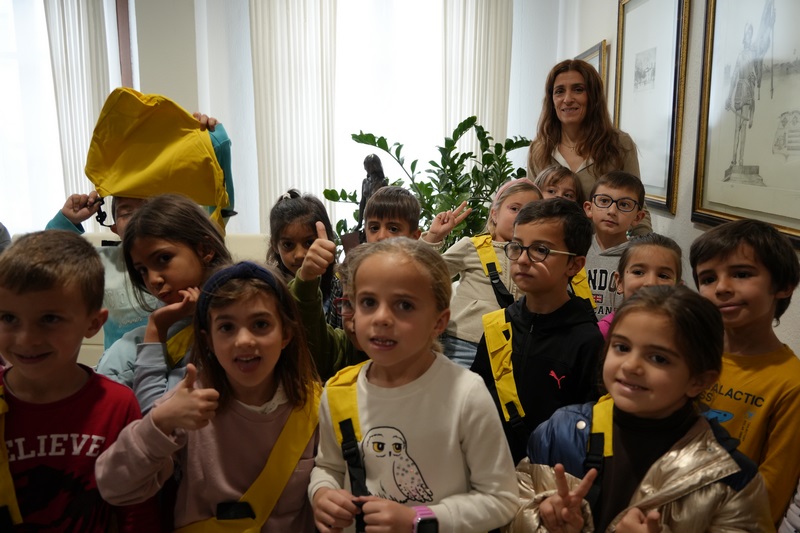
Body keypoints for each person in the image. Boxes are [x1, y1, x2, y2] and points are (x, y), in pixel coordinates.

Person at [509, 285, 773, 532]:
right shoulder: (560, 432)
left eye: (658, 358)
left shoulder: (731, 479)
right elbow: (513, 512)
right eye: (622, 347)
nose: (631, 365)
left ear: (699, 380)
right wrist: (544, 519)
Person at [309, 238, 519, 532]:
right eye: (368, 302)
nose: (382, 318)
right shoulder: (338, 390)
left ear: (439, 322)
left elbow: (501, 498)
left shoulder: (465, 394)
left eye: (404, 305)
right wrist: (322, 492)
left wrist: (418, 519)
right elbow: (328, 467)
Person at [96, 262, 321, 531]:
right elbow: (113, 487)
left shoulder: (315, 406)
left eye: (260, 324)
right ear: (209, 341)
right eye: (227, 327)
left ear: (285, 334)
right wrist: (159, 422)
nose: (244, 341)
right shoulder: (188, 404)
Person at [0, 230, 159, 531]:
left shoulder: (117, 405)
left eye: (49, 319)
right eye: (8, 318)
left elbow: (136, 509)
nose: (26, 339)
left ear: (94, 323)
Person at [44, 112, 229, 350]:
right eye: (126, 212)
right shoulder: (101, 262)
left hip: (179, 360)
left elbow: (219, 203)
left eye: (149, 206)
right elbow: (46, 262)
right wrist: (66, 221)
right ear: (113, 227)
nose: (140, 218)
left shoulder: (186, 251)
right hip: (120, 367)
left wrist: (217, 144)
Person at [471, 198, 603, 464]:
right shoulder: (500, 325)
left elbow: (589, 423)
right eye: (517, 246)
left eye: (540, 250)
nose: (522, 259)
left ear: (574, 265)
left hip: (554, 474)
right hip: (491, 465)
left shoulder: (587, 340)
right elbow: (476, 400)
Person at [691, 218, 800, 525]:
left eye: (741, 274)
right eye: (708, 278)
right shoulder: (689, 355)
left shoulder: (791, 383)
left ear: (783, 286)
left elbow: (770, 492)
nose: (722, 288)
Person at [96, 194, 232, 413]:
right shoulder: (142, 337)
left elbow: (156, 415)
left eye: (163, 258)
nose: (153, 280)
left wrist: (156, 329)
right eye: (142, 270)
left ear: (206, 249)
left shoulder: (231, 323)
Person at [288, 185, 423, 380]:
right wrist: (307, 278)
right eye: (349, 304)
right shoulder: (342, 349)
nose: (382, 236)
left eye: (369, 303)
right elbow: (311, 334)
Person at [423, 179, 542, 367]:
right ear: (494, 214)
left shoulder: (538, 256)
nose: (522, 217)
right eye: (514, 208)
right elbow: (425, 274)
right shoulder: (472, 246)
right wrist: (433, 238)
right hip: (463, 343)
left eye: (530, 212)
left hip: (513, 349)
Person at [527, 59, 651, 236]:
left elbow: (637, 205)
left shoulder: (619, 145)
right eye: (559, 91)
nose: (567, 99)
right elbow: (531, 208)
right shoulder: (539, 149)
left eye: (578, 90)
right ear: (551, 99)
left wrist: (645, 246)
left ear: (593, 96)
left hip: (605, 249)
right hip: (550, 247)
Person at [268, 190, 340, 328]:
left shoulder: (338, 286)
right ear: (275, 245)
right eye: (288, 245)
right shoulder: (271, 289)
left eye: (309, 242)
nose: (300, 255)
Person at [583, 171, 646, 319]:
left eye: (624, 204)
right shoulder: (576, 248)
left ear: (637, 217)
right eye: (604, 201)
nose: (612, 211)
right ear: (589, 208)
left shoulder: (640, 258)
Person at [598, 233, 683, 338]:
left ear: (679, 288)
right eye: (638, 272)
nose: (650, 283)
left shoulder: (684, 337)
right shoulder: (601, 335)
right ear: (620, 282)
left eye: (663, 276)